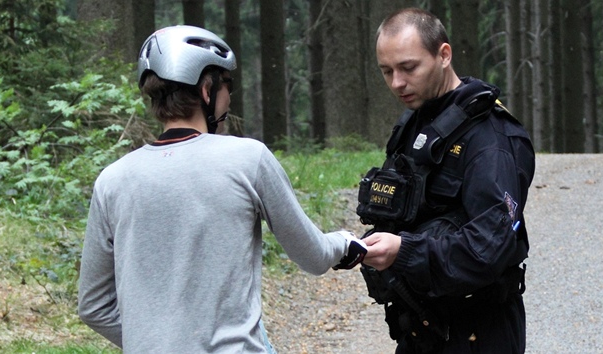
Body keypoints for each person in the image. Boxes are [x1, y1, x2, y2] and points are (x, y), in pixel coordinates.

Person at [77, 25, 367, 353]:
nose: (230, 96)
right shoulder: (247, 158)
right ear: (206, 90)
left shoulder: (112, 181)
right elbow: (314, 256)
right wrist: (344, 242)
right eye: (227, 85)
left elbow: (93, 307)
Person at [357, 8, 535, 354]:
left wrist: (404, 251)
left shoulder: (490, 140)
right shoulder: (416, 123)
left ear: (443, 55)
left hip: (478, 332)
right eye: (386, 71)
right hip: (422, 327)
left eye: (408, 68)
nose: (397, 82)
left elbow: (489, 248)